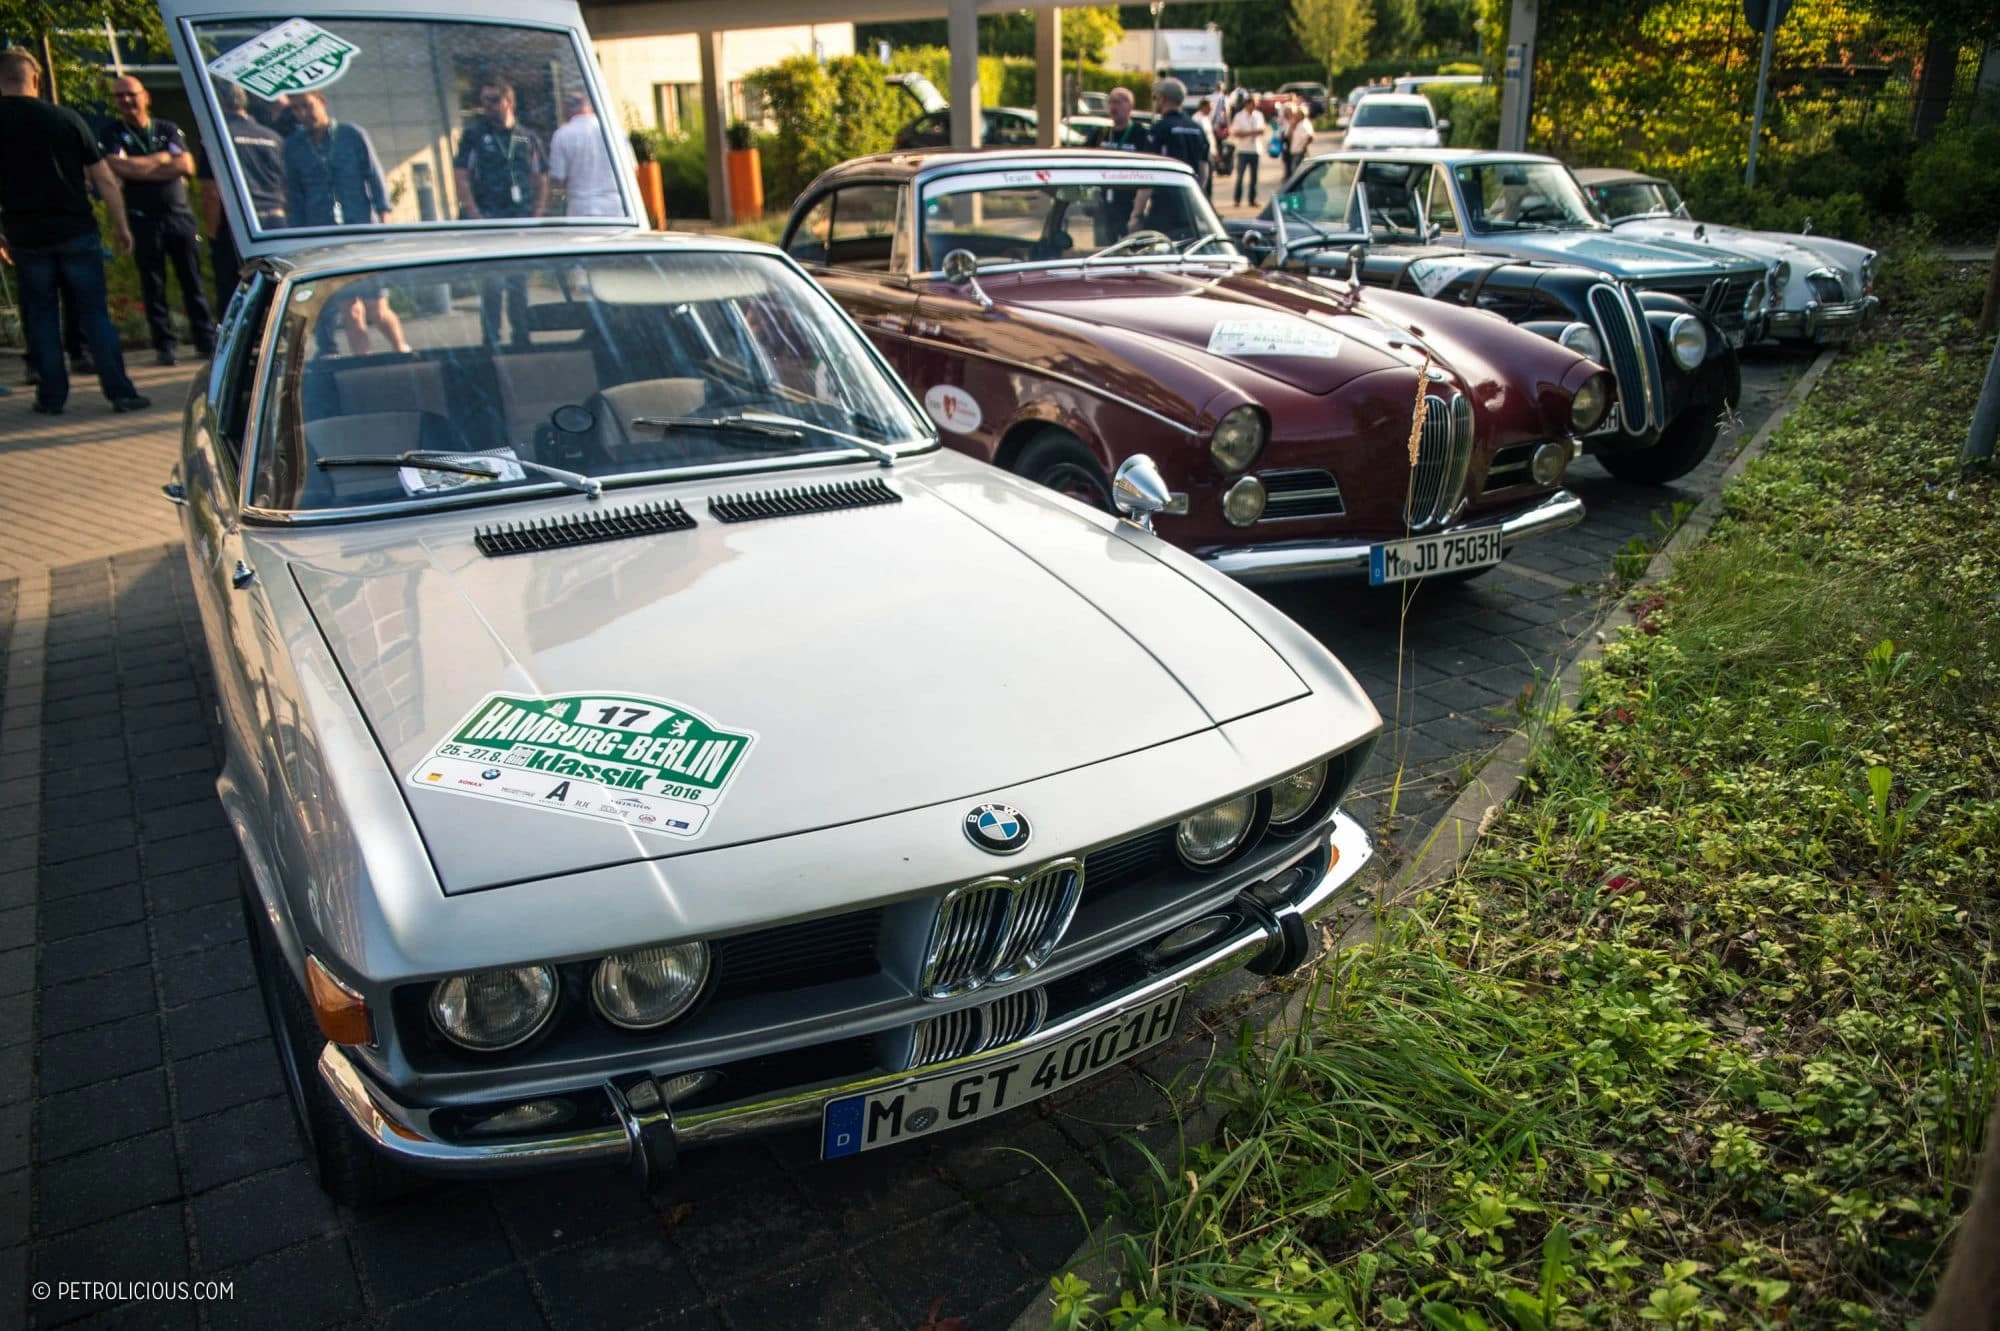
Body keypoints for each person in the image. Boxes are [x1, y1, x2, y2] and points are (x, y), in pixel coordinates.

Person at [0, 48, 148, 414]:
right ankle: (120, 392)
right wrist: (121, 225)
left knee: (41, 316)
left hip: (26, 235)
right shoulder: (66, 119)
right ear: (35, 79)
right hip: (76, 231)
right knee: (94, 313)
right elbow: (105, 180)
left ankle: (51, 397)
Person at [282, 90, 408, 355]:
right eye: (296, 109)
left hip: (360, 231)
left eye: (308, 106)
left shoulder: (351, 135)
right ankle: (365, 366)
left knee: (377, 310)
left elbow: (375, 178)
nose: (303, 114)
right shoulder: (293, 146)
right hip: (326, 236)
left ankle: (402, 352)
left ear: (323, 102)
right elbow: (294, 194)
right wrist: (301, 240)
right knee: (350, 312)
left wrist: (384, 221)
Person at [101, 74, 214, 365]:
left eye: (131, 94)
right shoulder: (113, 133)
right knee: (153, 285)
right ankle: (165, 345)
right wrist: (162, 159)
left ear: (145, 96)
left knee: (192, 280)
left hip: (178, 216)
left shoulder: (167, 128)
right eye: (119, 96)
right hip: (143, 219)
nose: (126, 101)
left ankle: (205, 339)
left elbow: (185, 165)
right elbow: (117, 166)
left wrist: (140, 166)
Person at [454, 79, 547, 348]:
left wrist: (536, 216)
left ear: (509, 101)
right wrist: (475, 215)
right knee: (492, 284)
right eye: (484, 101)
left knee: (518, 284)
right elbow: (462, 176)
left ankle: (522, 338)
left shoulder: (526, 137)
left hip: (519, 220)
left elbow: (541, 177)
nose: (488, 106)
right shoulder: (474, 135)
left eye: (494, 99)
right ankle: (491, 340)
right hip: (489, 219)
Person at [198, 79, 287, 296]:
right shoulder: (272, 137)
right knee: (279, 289)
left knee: (237, 293)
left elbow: (211, 192)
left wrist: (212, 235)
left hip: (240, 228)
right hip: (277, 224)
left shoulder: (217, 139)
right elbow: (288, 185)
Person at [1143, 77, 1208, 235]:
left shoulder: (1160, 129)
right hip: (1188, 203)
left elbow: (1148, 171)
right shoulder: (1197, 128)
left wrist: (1138, 212)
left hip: (1163, 205)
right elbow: (1204, 168)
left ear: (1163, 98)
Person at [1082, 86, 1145, 242]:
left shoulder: (1140, 134)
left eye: (1118, 102)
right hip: (1103, 203)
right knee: (1103, 245)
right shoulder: (1101, 134)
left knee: (1132, 246)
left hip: (1129, 202)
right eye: (1111, 102)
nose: (1113, 107)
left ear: (1130, 107)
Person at [547, 90, 620, 217]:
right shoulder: (614, 131)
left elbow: (557, 178)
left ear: (567, 109)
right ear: (588, 107)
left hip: (581, 208)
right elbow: (632, 168)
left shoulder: (562, 135)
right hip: (615, 208)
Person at [1228, 91, 1266, 208]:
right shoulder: (1239, 116)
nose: (1254, 106)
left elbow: (1262, 130)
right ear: (1247, 104)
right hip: (1243, 150)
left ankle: (1252, 199)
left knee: (1254, 177)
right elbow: (1236, 132)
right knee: (1240, 176)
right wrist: (1251, 133)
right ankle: (1237, 199)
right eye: (1252, 104)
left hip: (1255, 149)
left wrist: (1249, 133)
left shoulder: (1258, 115)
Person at [1283, 95, 1315, 183]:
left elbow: (1310, 137)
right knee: (1293, 172)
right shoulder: (1296, 124)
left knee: (1297, 174)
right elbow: (1288, 136)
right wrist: (1292, 126)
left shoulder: (1305, 124)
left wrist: (1304, 147)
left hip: (1300, 152)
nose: (1295, 116)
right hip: (1293, 151)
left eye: (1297, 114)